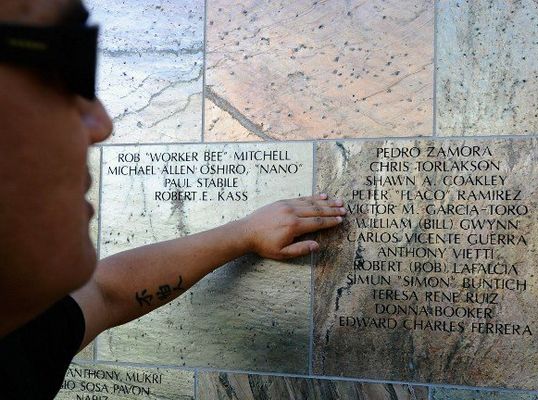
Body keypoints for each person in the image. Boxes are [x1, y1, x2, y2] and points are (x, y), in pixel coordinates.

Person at [0, 1, 346, 398]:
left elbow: (108, 292)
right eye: (60, 59)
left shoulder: (18, 334)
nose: (102, 124)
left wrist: (246, 233)